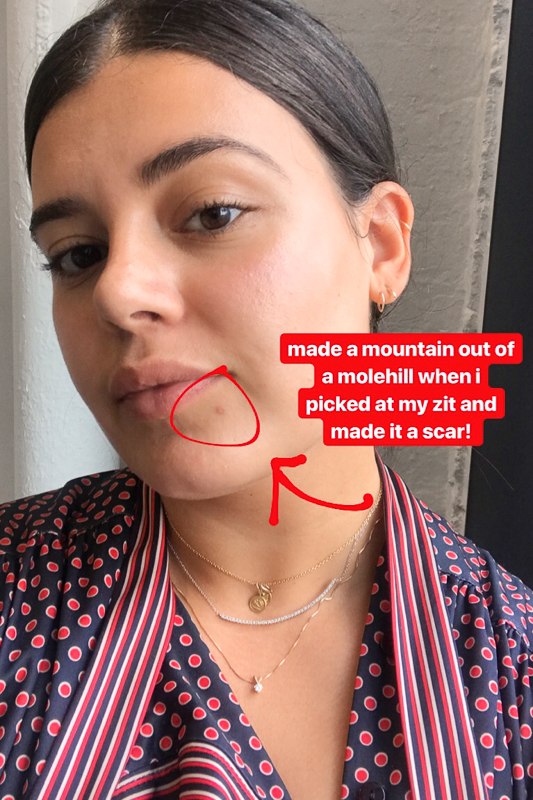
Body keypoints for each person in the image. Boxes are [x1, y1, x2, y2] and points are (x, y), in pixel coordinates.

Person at [1, 1, 532, 798]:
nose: (117, 292)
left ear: (382, 246)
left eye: (211, 213)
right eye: (78, 254)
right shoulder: (16, 599)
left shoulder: (512, 674)